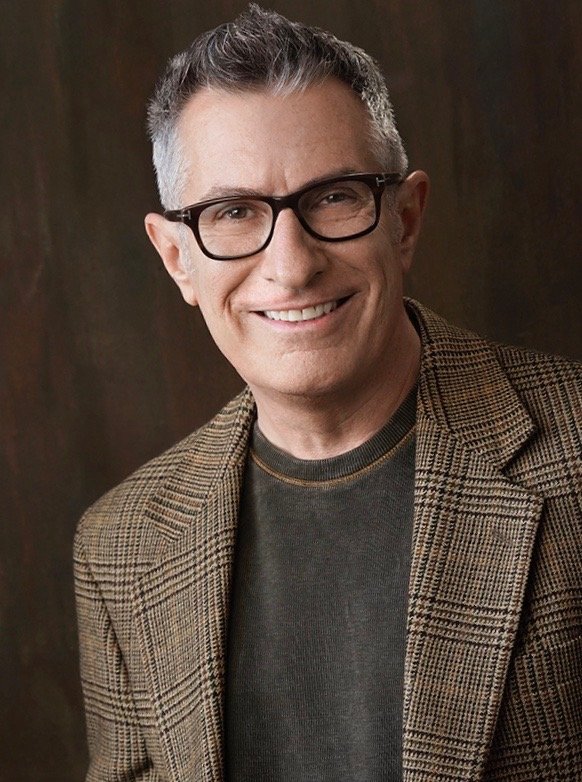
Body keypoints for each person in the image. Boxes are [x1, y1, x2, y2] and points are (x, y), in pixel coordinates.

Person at [74, 5, 581, 781]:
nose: (292, 266)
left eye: (334, 197)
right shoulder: (120, 546)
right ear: (177, 259)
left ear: (405, 219)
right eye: (233, 212)